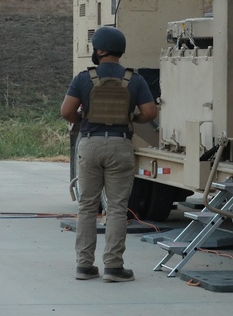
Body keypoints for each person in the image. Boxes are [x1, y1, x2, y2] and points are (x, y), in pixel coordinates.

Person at [61, 25, 158, 283]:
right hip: (120, 145)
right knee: (116, 208)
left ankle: (84, 266)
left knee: (88, 206)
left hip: (90, 144)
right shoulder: (133, 79)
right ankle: (114, 267)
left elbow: (66, 111)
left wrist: (83, 119)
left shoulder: (85, 77)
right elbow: (150, 113)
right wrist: (131, 117)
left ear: (101, 50)